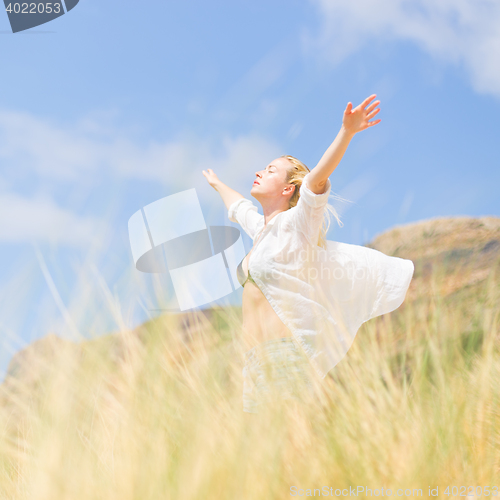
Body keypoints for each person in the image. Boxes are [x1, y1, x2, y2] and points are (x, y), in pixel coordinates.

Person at [202, 94, 414, 414]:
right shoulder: (262, 231)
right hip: (254, 361)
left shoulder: (299, 223)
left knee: (291, 452)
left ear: (288, 189)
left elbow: (316, 180)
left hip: (286, 354)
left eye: (271, 170)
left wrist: (347, 132)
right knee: (269, 460)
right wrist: (217, 183)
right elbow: (238, 208)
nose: (260, 172)